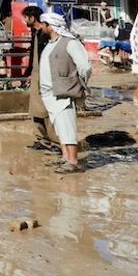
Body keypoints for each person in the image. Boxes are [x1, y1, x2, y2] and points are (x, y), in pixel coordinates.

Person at [39, 12, 92, 173]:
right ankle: (65, 157)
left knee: (67, 126)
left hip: (64, 92)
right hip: (50, 93)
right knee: (60, 128)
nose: (41, 27)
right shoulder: (50, 44)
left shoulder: (70, 43)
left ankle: (73, 161)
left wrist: (78, 83)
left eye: (43, 24)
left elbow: (85, 66)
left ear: (51, 26)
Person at [20, 5, 58, 151]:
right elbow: (33, 55)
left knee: (48, 108)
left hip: (46, 75)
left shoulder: (46, 34)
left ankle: (56, 141)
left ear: (32, 18)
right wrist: (29, 72)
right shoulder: (34, 33)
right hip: (36, 74)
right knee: (35, 109)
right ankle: (42, 139)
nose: (24, 21)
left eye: (26, 18)